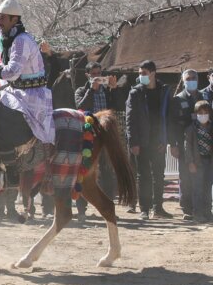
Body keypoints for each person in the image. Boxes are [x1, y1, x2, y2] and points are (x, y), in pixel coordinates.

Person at [0, 0, 54, 188]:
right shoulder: (11, 39)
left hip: (31, 98)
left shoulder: (21, 40)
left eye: (3, 18)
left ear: (15, 19)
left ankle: (11, 170)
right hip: (18, 93)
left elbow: (12, 72)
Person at [73, 61, 122, 222]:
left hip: (104, 136)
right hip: (87, 136)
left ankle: (107, 208)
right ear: (88, 75)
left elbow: (116, 108)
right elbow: (80, 107)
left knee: (107, 172)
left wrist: (114, 89)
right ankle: (81, 210)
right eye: (93, 74)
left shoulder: (106, 91)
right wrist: (91, 90)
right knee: (83, 172)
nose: (97, 77)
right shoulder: (81, 90)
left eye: (99, 74)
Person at [126, 60, 172, 221]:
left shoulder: (164, 91)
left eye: (144, 73)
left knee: (159, 175)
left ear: (153, 73)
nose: (141, 76)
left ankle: (158, 208)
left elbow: (167, 117)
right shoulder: (135, 93)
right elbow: (130, 119)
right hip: (141, 142)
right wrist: (133, 143)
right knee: (143, 175)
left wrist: (165, 140)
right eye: (140, 73)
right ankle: (144, 209)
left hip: (158, 141)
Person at [169, 69, 204, 217]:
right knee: (186, 177)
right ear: (183, 81)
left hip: (202, 144)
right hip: (183, 143)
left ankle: (201, 208)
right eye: (188, 78)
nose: (191, 80)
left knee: (202, 177)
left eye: (194, 78)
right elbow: (172, 124)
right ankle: (187, 209)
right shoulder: (178, 99)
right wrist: (173, 144)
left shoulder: (203, 97)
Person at [182, 100, 213, 222]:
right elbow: (187, 147)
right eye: (200, 112)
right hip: (197, 163)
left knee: (207, 189)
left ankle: (208, 212)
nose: (203, 115)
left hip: (209, 162)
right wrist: (190, 162)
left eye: (206, 112)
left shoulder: (211, 127)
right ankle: (198, 213)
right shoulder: (190, 129)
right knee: (197, 189)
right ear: (195, 114)